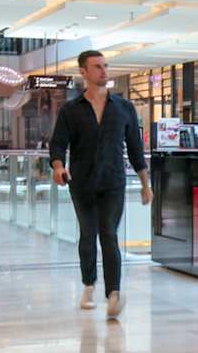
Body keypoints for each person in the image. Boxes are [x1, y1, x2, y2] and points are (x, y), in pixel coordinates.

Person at [49, 50, 152, 318]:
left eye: (105, 66)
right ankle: (88, 284)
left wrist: (145, 183)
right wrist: (58, 167)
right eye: (97, 67)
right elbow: (58, 143)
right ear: (83, 72)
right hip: (81, 182)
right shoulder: (71, 110)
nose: (104, 71)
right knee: (88, 233)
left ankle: (113, 294)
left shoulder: (124, 108)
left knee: (109, 233)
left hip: (113, 182)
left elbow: (135, 149)